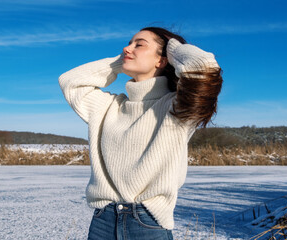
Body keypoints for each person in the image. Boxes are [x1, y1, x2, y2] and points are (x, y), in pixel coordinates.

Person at [59, 26, 223, 240]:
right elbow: (71, 82)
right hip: (103, 222)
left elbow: (203, 66)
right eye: (128, 43)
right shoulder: (108, 107)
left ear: (162, 60)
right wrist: (121, 61)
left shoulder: (176, 108)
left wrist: (171, 48)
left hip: (147, 224)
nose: (127, 48)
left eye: (139, 44)